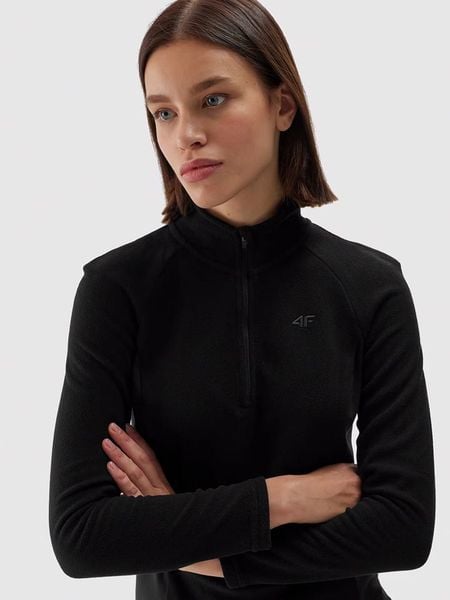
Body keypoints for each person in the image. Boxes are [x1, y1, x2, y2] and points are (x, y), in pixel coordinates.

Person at [48, 1, 435, 599]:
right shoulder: (117, 289)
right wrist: (284, 498)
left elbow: (404, 531)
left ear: (283, 106)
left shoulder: (369, 285)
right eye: (163, 112)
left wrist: (198, 550)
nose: (186, 134)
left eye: (213, 99)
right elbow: (82, 537)